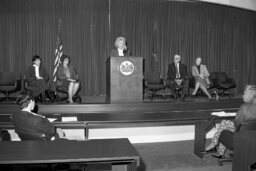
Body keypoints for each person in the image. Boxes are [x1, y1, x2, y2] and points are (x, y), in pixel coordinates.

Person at [205, 85, 256, 158]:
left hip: (242, 135)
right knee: (225, 125)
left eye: (244, 93)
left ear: (250, 95)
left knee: (224, 125)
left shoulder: (245, 107)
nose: (243, 95)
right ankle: (219, 152)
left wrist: (238, 115)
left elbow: (237, 124)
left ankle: (214, 145)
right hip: (253, 135)